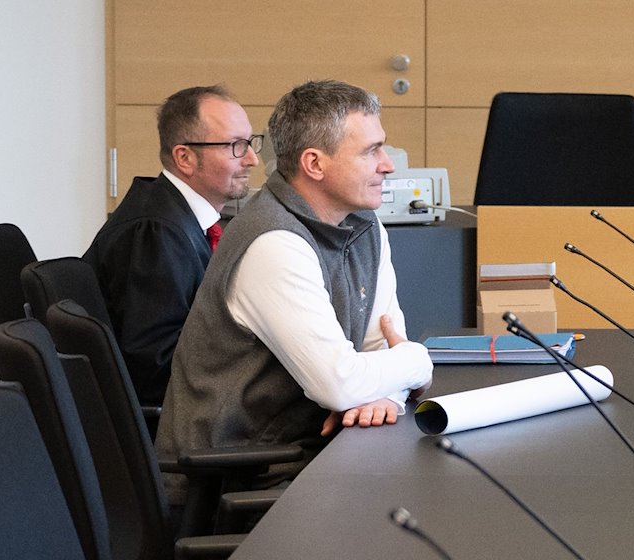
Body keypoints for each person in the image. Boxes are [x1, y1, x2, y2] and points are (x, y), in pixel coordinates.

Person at [156, 79, 433, 492]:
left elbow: (381, 344)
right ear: (314, 164)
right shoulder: (273, 242)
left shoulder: (364, 226)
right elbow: (340, 383)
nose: (387, 164)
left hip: (308, 456)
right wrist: (418, 361)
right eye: (370, 151)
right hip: (236, 481)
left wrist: (384, 398)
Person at [83, 85, 259, 407]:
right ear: (185, 158)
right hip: (164, 427)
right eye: (236, 146)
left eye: (249, 142)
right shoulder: (157, 233)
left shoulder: (173, 214)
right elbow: (154, 367)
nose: (253, 159)